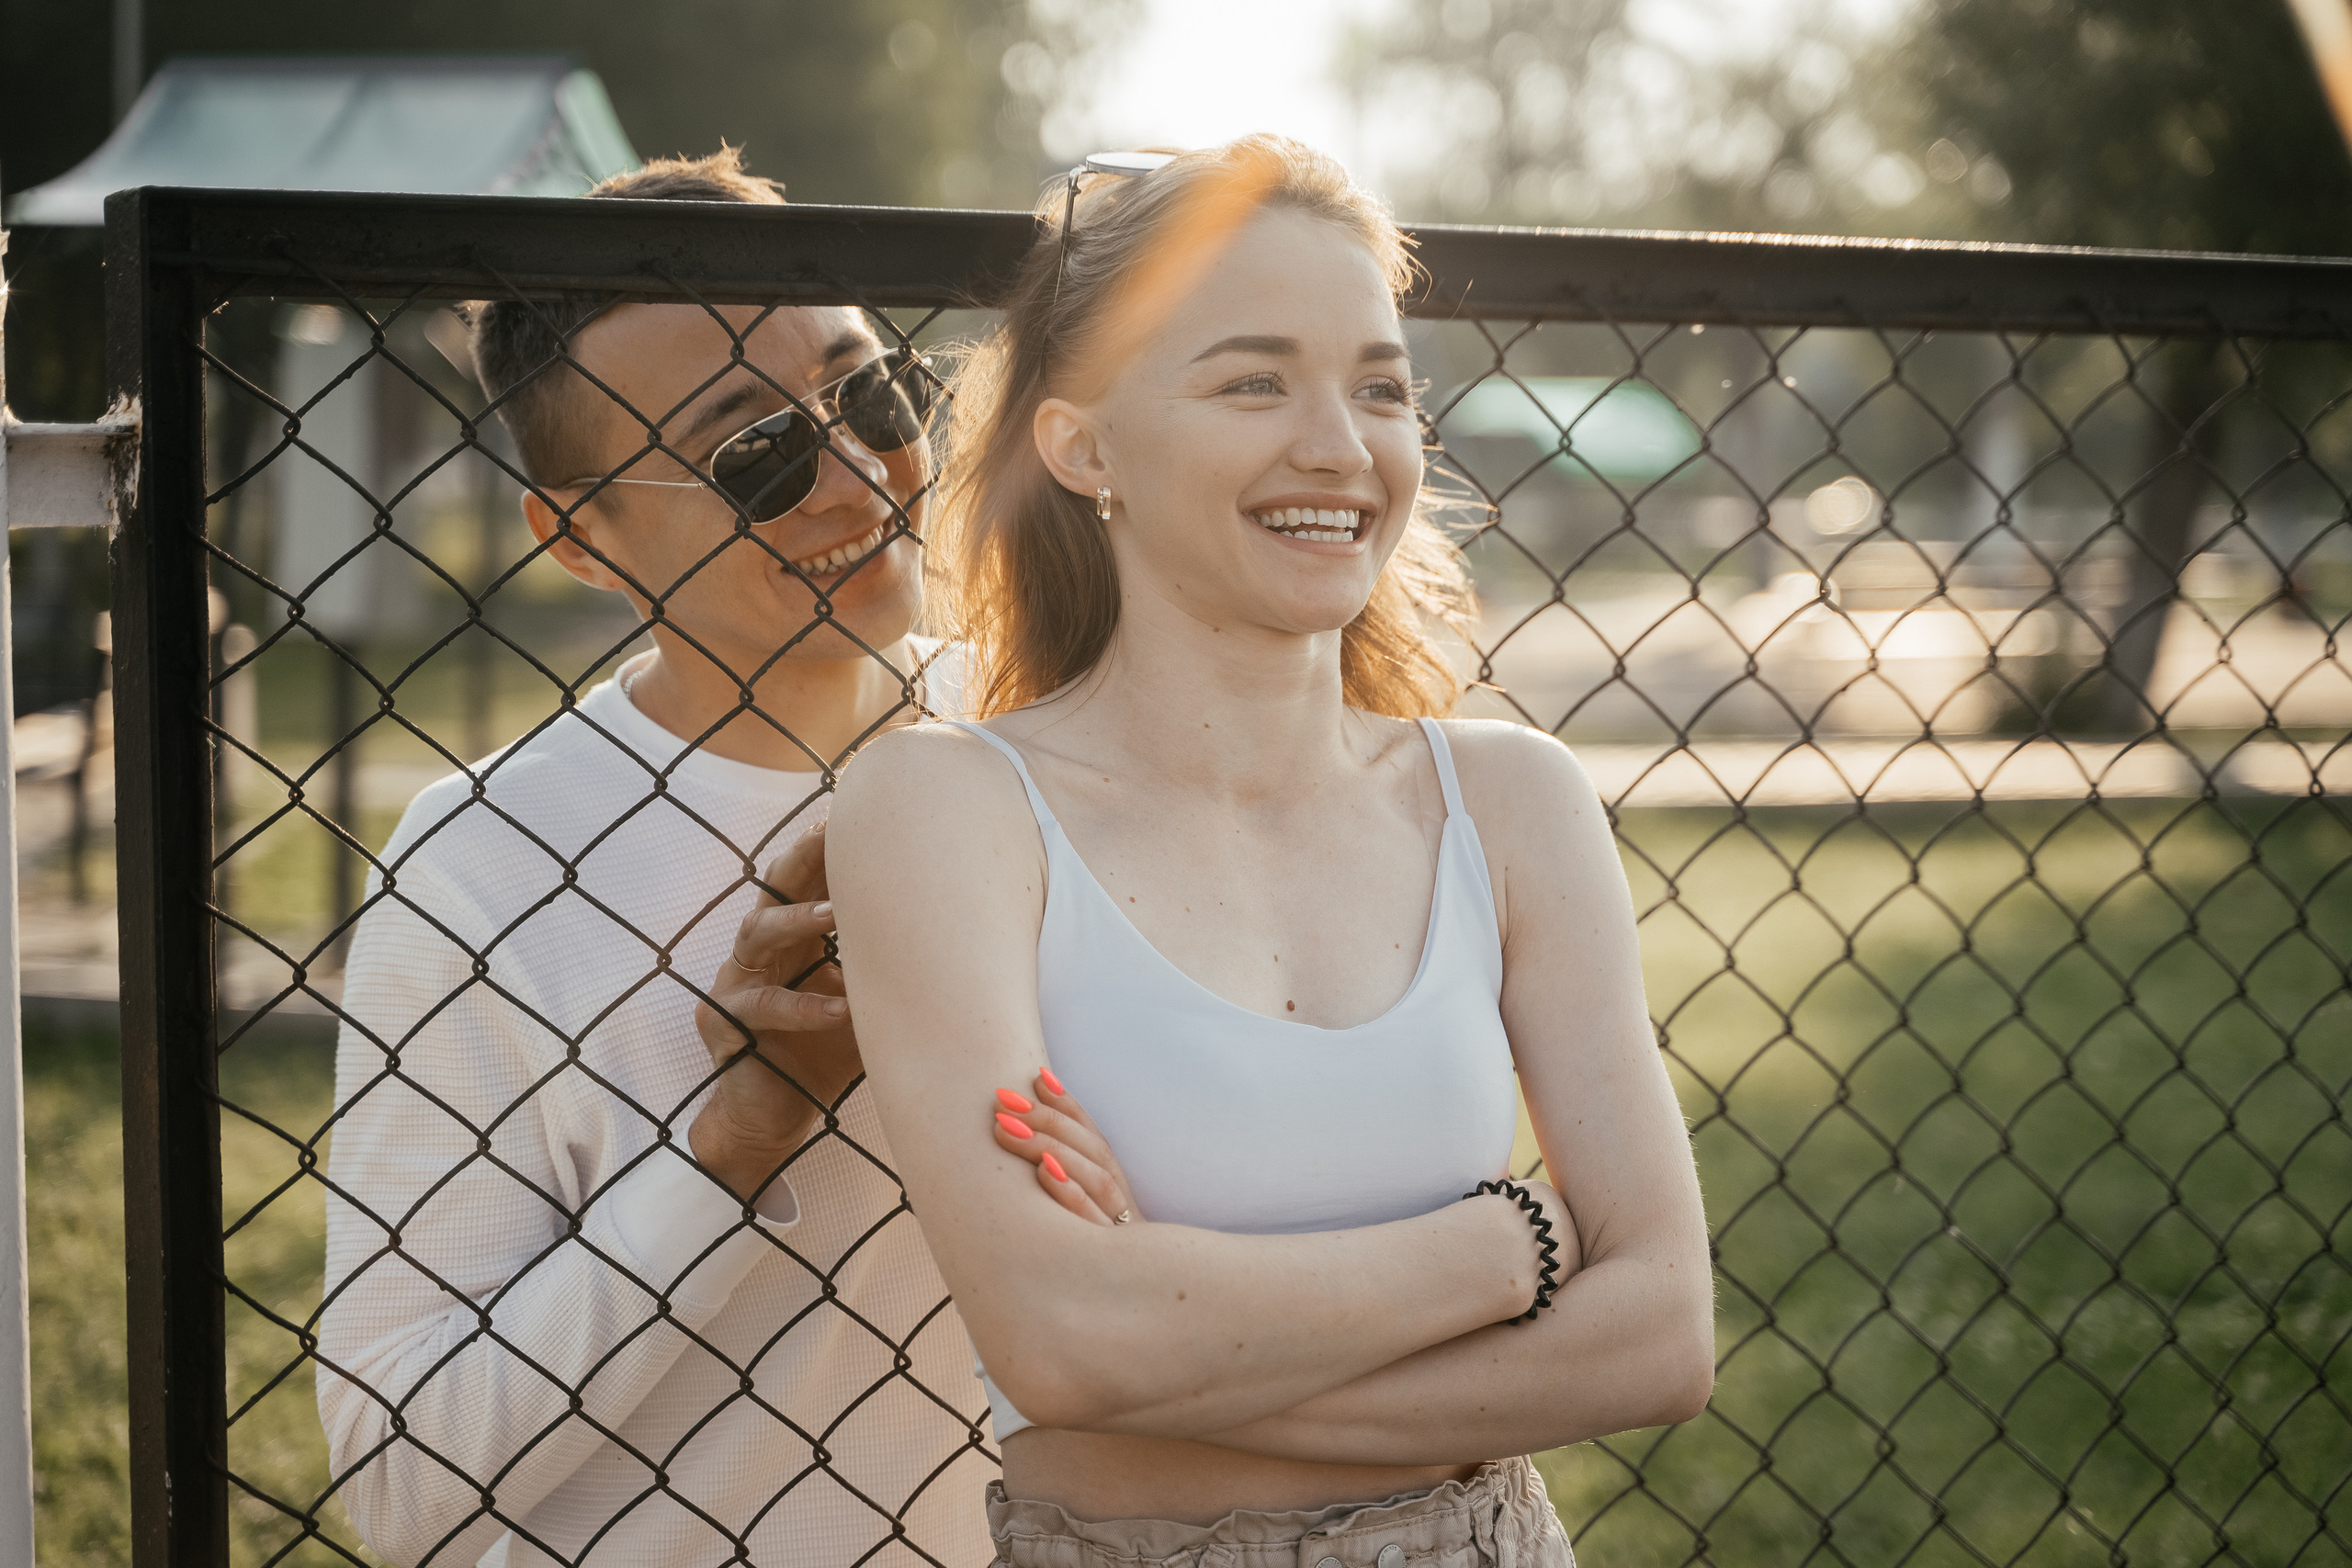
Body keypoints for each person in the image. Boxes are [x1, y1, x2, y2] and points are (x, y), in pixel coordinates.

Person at [826, 136, 1714, 1565]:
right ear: (1083, 443)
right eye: (1253, 381)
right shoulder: (947, 812)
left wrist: (1176, 1358)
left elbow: (1662, 1336)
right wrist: (1509, 1248)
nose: (1340, 446)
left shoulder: (1510, 800)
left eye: (1381, 387)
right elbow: (1058, 1346)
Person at [316, 149, 993, 1568]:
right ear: (582, 539)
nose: (858, 470)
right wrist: (728, 1151)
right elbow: (391, 1478)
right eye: (753, 450)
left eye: (870, 394)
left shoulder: (1045, 728)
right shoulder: (482, 868)